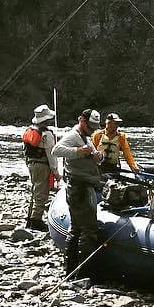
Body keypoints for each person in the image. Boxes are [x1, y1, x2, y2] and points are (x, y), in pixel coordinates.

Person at [51, 108, 104, 274]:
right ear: (82, 120)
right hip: (79, 188)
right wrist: (77, 152)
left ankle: (72, 269)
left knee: (76, 228)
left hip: (85, 184)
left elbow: (96, 155)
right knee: (88, 229)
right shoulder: (73, 136)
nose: (93, 129)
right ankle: (83, 271)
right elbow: (56, 151)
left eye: (95, 127)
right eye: (90, 126)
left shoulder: (87, 137)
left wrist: (97, 156)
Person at [22, 104, 58, 231]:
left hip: (31, 164)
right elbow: (51, 155)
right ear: (47, 120)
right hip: (43, 166)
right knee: (41, 193)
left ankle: (30, 219)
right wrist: (56, 172)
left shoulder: (31, 130)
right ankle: (36, 221)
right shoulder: (47, 134)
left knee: (35, 191)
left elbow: (26, 151)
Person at [92, 112, 139, 177]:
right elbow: (92, 150)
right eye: (115, 123)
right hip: (99, 167)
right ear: (108, 123)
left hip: (113, 167)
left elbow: (127, 153)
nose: (116, 126)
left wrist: (133, 166)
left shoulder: (121, 137)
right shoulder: (98, 135)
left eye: (117, 123)